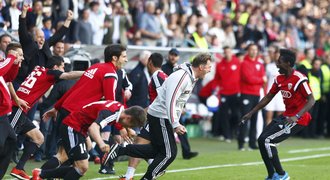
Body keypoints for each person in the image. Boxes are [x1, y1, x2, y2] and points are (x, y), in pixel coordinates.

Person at [104, 53, 212, 180]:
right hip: (161, 116)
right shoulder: (182, 77)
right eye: (209, 66)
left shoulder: (190, 77)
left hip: (161, 115)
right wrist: (175, 123)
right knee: (169, 154)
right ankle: (146, 177)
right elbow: (170, 100)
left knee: (156, 151)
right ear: (200, 67)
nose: (210, 69)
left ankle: (120, 150)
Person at [41, 44, 129, 174]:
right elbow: (110, 104)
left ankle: (40, 175)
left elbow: (75, 89)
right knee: (78, 163)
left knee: (64, 155)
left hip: (66, 111)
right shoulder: (110, 74)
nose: (126, 60)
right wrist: (120, 128)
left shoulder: (95, 67)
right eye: (124, 56)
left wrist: (57, 107)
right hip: (74, 117)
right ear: (114, 58)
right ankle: (40, 175)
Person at [241, 49, 315, 180]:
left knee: (268, 140)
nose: (277, 64)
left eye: (279, 62)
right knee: (261, 140)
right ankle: (271, 175)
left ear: (287, 63)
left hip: (299, 119)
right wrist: (251, 113)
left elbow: (311, 100)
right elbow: (268, 97)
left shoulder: (299, 78)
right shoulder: (279, 78)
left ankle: (282, 175)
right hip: (286, 115)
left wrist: (296, 116)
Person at [9, 56, 84, 179]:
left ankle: (19, 168)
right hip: (16, 109)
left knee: (38, 138)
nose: (63, 69)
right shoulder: (51, 73)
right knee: (6, 140)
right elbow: (68, 75)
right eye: (62, 67)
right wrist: (88, 72)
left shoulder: (38, 69)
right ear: (55, 67)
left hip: (20, 109)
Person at [32, 100, 146, 180]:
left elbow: (115, 119)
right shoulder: (111, 112)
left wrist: (126, 128)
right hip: (72, 127)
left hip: (78, 129)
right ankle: (41, 175)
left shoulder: (119, 108)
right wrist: (101, 143)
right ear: (128, 117)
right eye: (131, 124)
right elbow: (93, 127)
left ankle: (40, 174)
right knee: (81, 166)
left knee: (79, 167)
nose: (129, 127)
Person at [120, 52, 167, 180]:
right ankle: (152, 167)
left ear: (150, 62)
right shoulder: (163, 75)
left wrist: (145, 111)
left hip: (156, 117)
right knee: (140, 144)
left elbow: (162, 97)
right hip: (157, 116)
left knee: (139, 145)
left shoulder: (157, 76)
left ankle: (132, 175)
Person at [0, 44, 23, 179]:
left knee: (10, 140)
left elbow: (8, 78)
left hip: (3, 114)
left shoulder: (4, 64)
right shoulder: (4, 63)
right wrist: (11, 57)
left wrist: (14, 64)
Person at [238, 43, 266, 151]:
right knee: (245, 118)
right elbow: (249, 79)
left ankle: (252, 143)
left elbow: (264, 79)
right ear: (248, 51)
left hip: (256, 94)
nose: (254, 51)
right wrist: (259, 80)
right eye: (252, 49)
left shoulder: (260, 64)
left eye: (256, 49)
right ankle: (241, 143)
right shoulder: (244, 63)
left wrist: (258, 80)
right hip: (246, 94)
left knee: (254, 119)